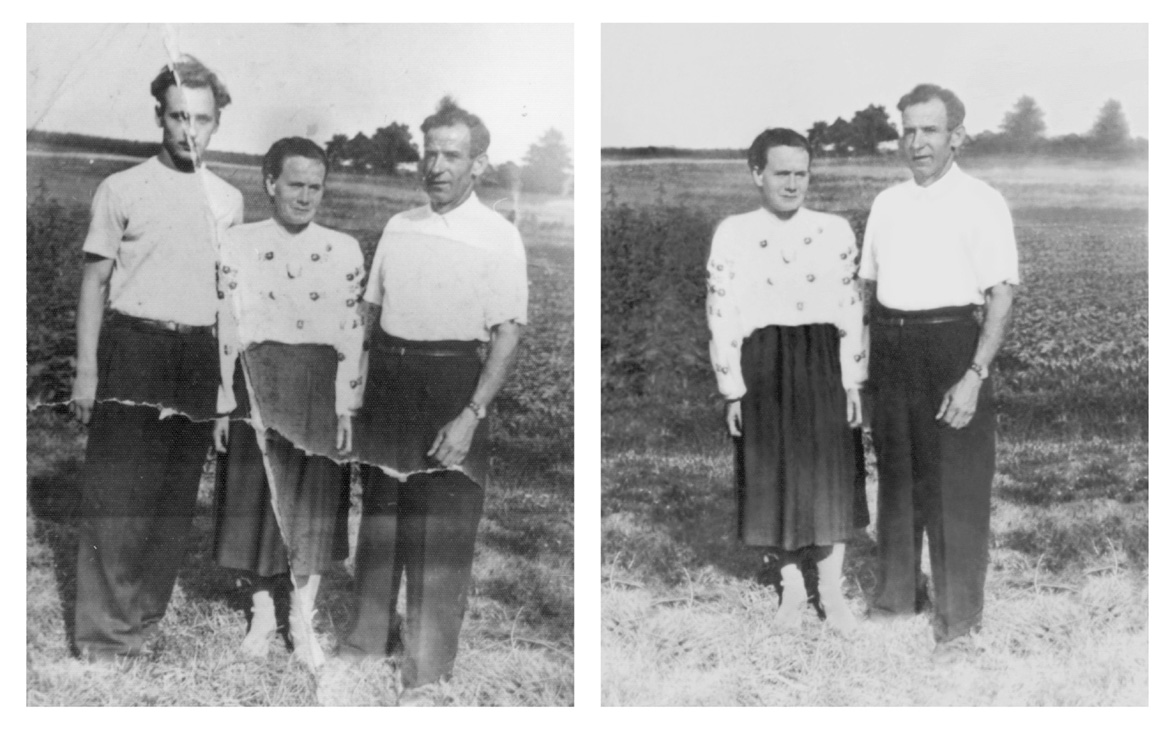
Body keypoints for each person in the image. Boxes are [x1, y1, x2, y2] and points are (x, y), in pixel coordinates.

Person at [320, 97, 527, 706]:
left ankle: (426, 671)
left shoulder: (498, 236)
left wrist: (471, 414)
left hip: (452, 385)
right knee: (382, 519)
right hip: (390, 379)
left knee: (441, 532)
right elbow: (371, 312)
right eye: (429, 152)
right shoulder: (399, 226)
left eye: (452, 155)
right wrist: (352, 397)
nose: (436, 165)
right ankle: (365, 642)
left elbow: (508, 333)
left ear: (479, 164)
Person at [69, 56, 243, 663]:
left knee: (172, 497)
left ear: (217, 122)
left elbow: (228, 304)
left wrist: (225, 389)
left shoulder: (228, 201)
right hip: (134, 347)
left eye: (201, 118)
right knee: (118, 494)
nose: (188, 130)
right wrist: (86, 371)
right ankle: (102, 635)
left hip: (196, 355)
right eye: (177, 117)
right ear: (159, 118)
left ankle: (141, 619)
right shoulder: (120, 188)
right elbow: (94, 282)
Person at [860, 83, 1018, 662]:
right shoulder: (887, 203)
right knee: (898, 482)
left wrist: (974, 373)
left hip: (953, 346)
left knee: (955, 490)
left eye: (929, 130)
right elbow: (866, 287)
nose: (917, 142)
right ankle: (895, 600)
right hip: (893, 349)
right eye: (908, 130)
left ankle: (958, 623)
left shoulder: (982, 201)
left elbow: (1001, 295)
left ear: (957, 136)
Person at [706, 128, 868, 634]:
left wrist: (851, 380)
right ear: (757, 174)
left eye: (802, 173)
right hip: (762, 362)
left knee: (832, 477)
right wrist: (732, 387)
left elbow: (850, 307)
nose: (794, 184)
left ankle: (832, 593)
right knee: (773, 475)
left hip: (822, 358)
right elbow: (721, 311)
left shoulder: (836, 229)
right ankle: (793, 590)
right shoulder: (732, 232)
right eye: (782, 173)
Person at [212, 137, 365, 668]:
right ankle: (262, 612)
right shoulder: (235, 242)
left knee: (315, 500)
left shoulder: (344, 247)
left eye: (315, 186)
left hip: (319, 384)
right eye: (295, 184)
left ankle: (302, 618)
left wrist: (347, 403)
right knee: (255, 496)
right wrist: (223, 396)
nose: (305, 197)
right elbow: (225, 324)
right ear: (269, 183)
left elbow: (352, 333)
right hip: (257, 380)